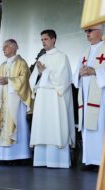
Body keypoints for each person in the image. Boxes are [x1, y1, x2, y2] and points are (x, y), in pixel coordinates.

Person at [72, 24, 105, 170]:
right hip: (86, 96)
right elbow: (76, 73)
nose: (87, 34)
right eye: (86, 31)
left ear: (100, 32)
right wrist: (79, 73)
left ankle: (103, 162)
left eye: (90, 31)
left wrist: (95, 72)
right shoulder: (85, 52)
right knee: (87, 128)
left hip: (102, 98)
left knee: (101, 127)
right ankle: (89, 160)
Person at [29, 29, 75, 168]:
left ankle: (58, 161)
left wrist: (45, 72)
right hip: (43, 99)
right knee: (42, 126)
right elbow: (33, 81)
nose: (43, 42)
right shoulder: (41, 59)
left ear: (53, 39)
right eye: (42, 40)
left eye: (46, 39)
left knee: (56, 125)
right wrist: (39, 75)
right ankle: (41, 160)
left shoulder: (62, 57)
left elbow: (64, 80)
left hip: (55, 99)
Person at [0, 39, 33, 161]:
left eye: (6, 46)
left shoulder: (21, 63)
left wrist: (9, 80)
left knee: (17, 124)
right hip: (3, 99)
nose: (3, 49)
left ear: (14, 47)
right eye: (3, 47)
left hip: (16, 101)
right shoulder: (3, 65)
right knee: (2, 124)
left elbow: (24, 79)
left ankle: (19, 156)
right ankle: (3, 157)